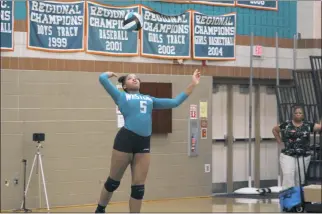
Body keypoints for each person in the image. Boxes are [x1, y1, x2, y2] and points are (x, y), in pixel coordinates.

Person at [95, 69, 201, 213]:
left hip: (143, 144)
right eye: (130, 78)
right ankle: (100, 210)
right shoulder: (121, 96)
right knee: (113, 182)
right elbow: (102, 79)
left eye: (136, 78)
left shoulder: (149, 99)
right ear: (124, 86)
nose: (134, 79)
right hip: (125, 140)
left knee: (139, 188)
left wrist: (193, 83)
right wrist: (109, 73)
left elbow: (175, 102)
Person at [272, 106, 322, 190]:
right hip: (288, 154)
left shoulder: (308, 124)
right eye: (296, 113)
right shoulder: (286, 124)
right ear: (293, 114)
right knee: (288, 175)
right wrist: (279, 141)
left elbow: (320, 127)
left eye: (300, 113)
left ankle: (298, 198)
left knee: (300, 178)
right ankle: (288, 197)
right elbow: (274, 130)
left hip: (303, 155)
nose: (298, 114)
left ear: (303, 115)